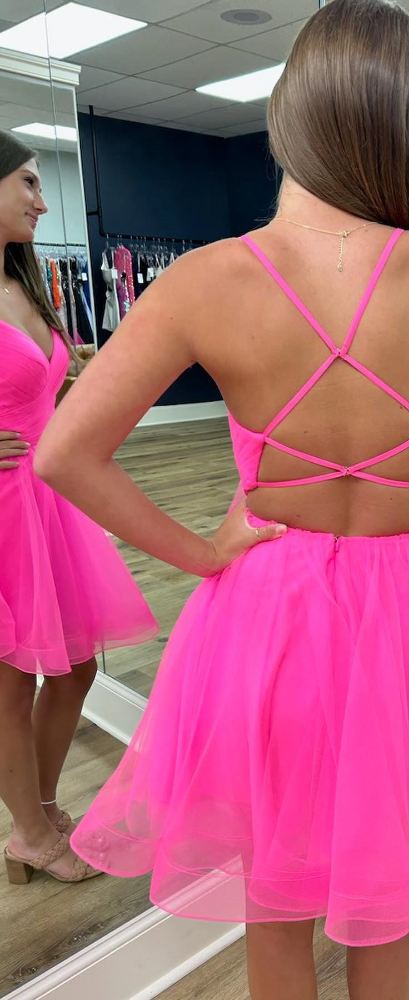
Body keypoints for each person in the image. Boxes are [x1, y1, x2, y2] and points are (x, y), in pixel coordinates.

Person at [36, 2, 409, 997]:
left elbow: (64, 453)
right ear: (408, 121)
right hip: (406, 612)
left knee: (273, 896)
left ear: (287, 112)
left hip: (264, 610)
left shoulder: (205, 279)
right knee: (385, 889)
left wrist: (202, 554)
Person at [0, 129, 158, 886]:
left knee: (74, 668)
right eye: (28, 182)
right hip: (5, 508)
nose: (43, 200)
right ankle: (30, 834)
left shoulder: (26, 284)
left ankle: (36, 806)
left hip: (49, 501)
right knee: (10, 681)